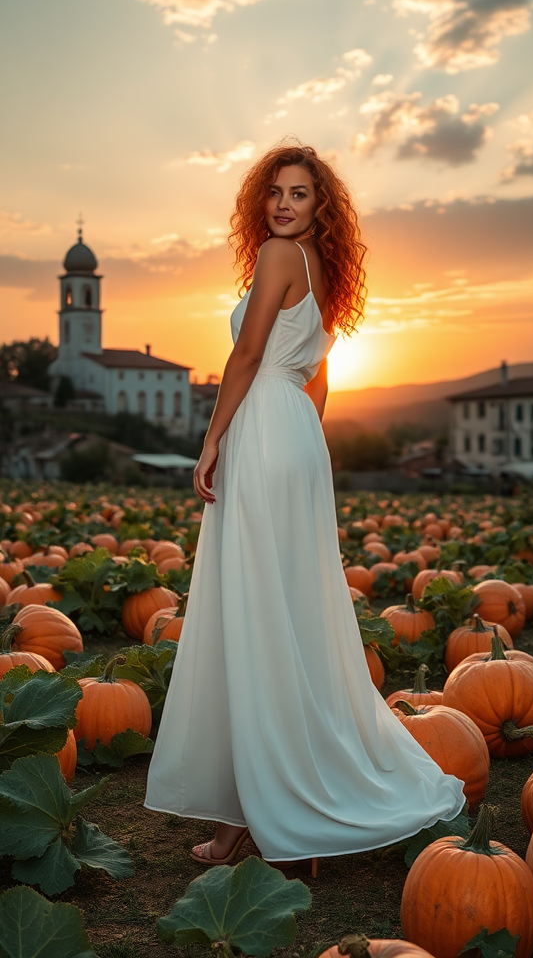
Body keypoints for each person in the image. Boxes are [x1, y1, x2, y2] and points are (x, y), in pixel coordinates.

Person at [144, 143, 466, 871]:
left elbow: (248, 353)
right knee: (279, 611)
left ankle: (252, 811)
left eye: (300, 195)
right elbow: (318, 380)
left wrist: (213, 438)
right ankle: (242, 814)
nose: (285, 205)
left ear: (319, 208)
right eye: (277, 193)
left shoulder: (275, 256)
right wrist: (296, 444)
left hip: (263, 427)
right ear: (265, 198)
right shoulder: (322, 269)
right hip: (294, 435)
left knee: (252, 612)